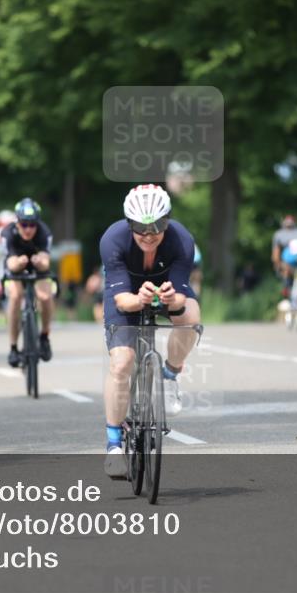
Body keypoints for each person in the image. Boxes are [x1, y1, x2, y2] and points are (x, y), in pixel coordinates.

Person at [100, 184, 201, 478]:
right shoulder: (112, 240)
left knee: (191, 315)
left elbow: (181, 296)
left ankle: (169, 375)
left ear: (167, 221)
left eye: (157, 225)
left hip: (167, 289)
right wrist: (140, 298)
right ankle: (114, 445)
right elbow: (122, 301)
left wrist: (173, 299)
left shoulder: (182, 241)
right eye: (139, 226)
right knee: (122, 363)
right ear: (128, 223)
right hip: (127, 294)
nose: (148, 233)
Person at [2, 198, 54, 367]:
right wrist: (18, 263)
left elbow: (46, 261)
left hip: (37, 267)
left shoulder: (44, 232)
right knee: (16, 296)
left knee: (45, 296)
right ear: (17, 222)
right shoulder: (8, 233)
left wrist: (40, 262)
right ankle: (13, 346)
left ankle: (44, 337)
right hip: (15, 266)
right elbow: (10, 262)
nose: (28, 229)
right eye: (24, 224)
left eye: (32, 225)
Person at [271, 214, 297, 296]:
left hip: (290, 259)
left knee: (286, 270)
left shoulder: (279, 234)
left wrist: (277, 266)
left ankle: (286, 289)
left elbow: (276, 253)